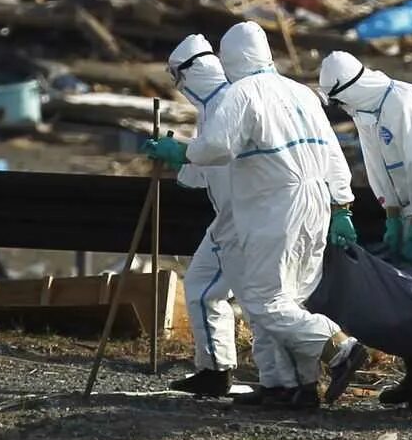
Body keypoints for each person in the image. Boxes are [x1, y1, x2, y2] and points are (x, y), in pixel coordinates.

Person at [151, 21, 369, 409]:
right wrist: (342, 205)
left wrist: (182, 152)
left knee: (264, 301)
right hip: (315, 200)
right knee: (291, 298)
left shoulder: (242, 92)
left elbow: (217, 146)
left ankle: (337, 346)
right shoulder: (300, 91)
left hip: (274, 205)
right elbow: (333, 152)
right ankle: (294, 388)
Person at [317, 49, 412, 405]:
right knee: (405, 291)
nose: (340, 107)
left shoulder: (402, 103)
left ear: (348, 88)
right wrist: (393, 214)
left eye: (337, 99)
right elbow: (379, 169)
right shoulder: (370, 111)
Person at [152, 35, 242, 398]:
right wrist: (177, 158)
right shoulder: (211, 109)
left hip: (242, 216)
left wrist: (182, 154)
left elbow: (218, 155)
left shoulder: (228, 104)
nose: (179, 87)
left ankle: (332, 355)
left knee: (254, 299)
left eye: (179, 78)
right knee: (205, 289)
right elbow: (199, 172)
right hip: (231, 215)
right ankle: (215, 369)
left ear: (192, 73)